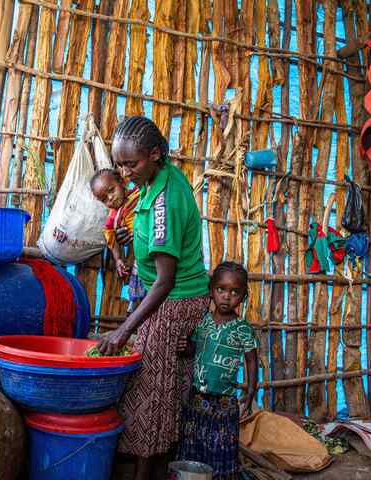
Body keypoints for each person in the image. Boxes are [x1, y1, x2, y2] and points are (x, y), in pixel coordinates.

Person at [97, 116, 210, 480]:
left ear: (156, 154)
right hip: (163, 295)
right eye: (120, 164)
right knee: (159, 386)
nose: (124, 172)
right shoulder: (152, 180)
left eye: (132, 164)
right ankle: (156, 466)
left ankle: (145, 472)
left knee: (147, 389)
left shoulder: (166, 201)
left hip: (174, 298)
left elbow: (164, 282)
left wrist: (123, 331)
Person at [177, 261, 258, 480]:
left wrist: (250, 392)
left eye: (234, 292)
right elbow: (194, 348)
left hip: (224, 402)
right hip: (197, 398)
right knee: (195, 444)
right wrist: (186, 347)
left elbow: (251, 361)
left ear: (243, 296)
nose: (226, 296)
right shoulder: (202, 322)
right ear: (211, 291)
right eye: (221, 289)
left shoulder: (243, 328)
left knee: (221, 448)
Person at [90, 168, 146, 309]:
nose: (110, 198)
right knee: (141, 297)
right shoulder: (115, 216)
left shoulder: (141, 193)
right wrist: (118, 259)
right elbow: (109, 234)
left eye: (111, 190)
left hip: (158, 247)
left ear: (121, 182)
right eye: (104, 199)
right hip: (142, 259)